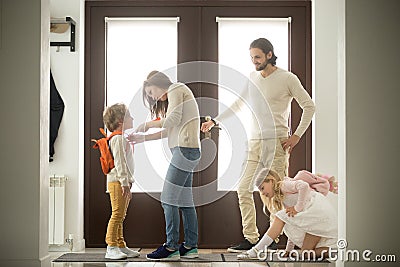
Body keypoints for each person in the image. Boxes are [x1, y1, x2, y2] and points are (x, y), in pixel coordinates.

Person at [201, 38, 315, 252]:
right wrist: (215, 121)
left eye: (257, 57)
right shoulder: (252, 78)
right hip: (254, 142)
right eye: (252, 57)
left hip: (276, 142)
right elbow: (238, 103)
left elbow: (309, 106)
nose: (254, 61)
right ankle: (251, 238)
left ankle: (273, 238)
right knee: (243, 189)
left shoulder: (287, 78)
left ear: (269, 55)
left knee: (277, 193)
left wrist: (297, 136)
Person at [129, 71, 201, 261]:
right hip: (188, 150)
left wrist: (146, 125)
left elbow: (171, 121)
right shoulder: (176, 94)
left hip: (184, 151)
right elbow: (170, 130)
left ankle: (171, 247)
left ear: (157, 83)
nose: (152, 98)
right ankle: (190, 247)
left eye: (151, 92)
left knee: (168, 199)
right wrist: (142, 138)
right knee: (185, 202)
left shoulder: (176, 88)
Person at [237, 168, 337, 260]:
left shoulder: (283, 185)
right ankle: (334, 251)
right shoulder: (283, 198)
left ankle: (257, 250)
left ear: (271, 181)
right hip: (314, 220)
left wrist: (297, 208)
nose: (262, 193)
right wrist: (288, 250)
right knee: (306, 254)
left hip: (317, 213)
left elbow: (304, 186)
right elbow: (292, 223)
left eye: (262, 188)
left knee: (280, 217)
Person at [102, 103, 140, 260]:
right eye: (129, 115)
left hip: (122, 182)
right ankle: (111, 246)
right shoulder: (117, 139)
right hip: (118, 182)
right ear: (120, 120)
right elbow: (120, 163)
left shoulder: (120, 138)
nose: (133, 118)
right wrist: (124, 183)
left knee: (121, 215)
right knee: (117, 214)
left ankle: (121, 245)